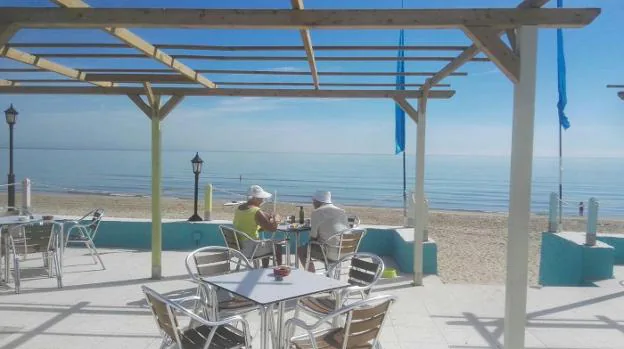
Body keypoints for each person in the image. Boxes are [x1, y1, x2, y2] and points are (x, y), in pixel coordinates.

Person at [298, 190, 349, 272]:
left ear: (318, 201)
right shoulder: (341, 211)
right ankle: (329, 272)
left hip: (330, 254)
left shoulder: (317, 212)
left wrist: (309, 241)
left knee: (301, 250)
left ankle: (312, 276)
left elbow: (313, 237)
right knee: (325, 242)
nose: (313, 203)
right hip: (346, 251)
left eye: (313, 201)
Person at [233, 185, 282, 267]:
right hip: (250, 249)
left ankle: (264, 268)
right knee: (277, 246)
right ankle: (278, 270)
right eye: (261, 198)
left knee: (265, 243)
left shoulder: (239, 208)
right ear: (255, 198)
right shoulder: (256, 211)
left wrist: (265, 221)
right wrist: (276, 219)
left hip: (238, 247)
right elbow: (273, 229)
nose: (262, 200)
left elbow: (249, 226)